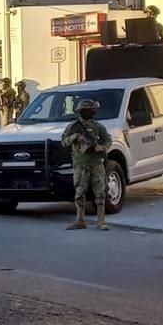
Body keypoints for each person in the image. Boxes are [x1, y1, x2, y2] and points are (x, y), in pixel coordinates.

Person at [61, 99, 113, 231]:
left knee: (100, 193)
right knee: (80, 193)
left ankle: (101, 221)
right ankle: (80, 220)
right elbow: (64, 141)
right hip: (81, 164)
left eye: (90, 111)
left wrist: (102, 148)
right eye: (85, 111)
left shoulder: (98, 126)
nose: (88, 113)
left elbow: (108, 140)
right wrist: (75, 137)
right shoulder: (73, 127)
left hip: (96, 163)